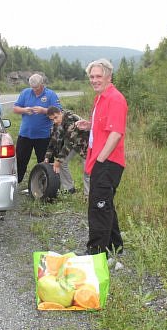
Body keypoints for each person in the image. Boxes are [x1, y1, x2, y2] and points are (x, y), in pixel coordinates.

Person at [75, 59, 128, 256]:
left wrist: (100, 160)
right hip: (100, 160)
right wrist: (90, 125)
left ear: (109, 77)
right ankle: (116, 246)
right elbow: (106, 127)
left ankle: (96, 253)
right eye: (92, 76)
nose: (94, 80)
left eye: (98, 76)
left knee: (98, 207)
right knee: (105, 203)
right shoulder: (100, 98)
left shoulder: (115, 99)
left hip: (107, 162)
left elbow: (116, 133)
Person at [13, 73, 61, 183]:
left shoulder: (51, 95)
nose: (35, 90)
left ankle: (46, 184)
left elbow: (58, 112)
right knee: (20, 160)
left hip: (44, 136)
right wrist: (25, 110)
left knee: (46, 162)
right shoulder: (25, 93)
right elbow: (15, 108)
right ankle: (17, 182)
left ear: (42, 84)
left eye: (37, 88)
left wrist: (44, 110)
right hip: (25, 134)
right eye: (33, 88)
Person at [44, 106, 90, 196]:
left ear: (61, 113)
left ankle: (88, 195)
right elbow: (53, 141)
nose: (55, 121)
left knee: (87, 171)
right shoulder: (56, 125)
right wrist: (47, 157)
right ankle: (69, 188)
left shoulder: (71, 119)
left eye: (56, 117)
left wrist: (58, 160)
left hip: (86, 144)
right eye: (52, 119)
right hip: (74, 144)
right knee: (62, 163)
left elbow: (69, 143)